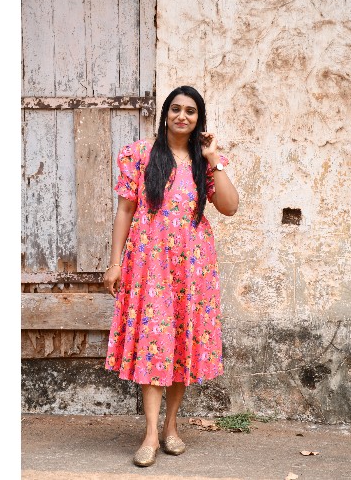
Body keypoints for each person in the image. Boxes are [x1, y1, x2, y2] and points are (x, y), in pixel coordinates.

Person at [103, 85, 239, 467]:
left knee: (180, 341)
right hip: (150, 262)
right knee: (154, 341)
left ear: (199, 119)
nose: (182, 116)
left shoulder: (203, 161)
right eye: (176, 109)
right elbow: (125, 210)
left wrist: (214, 159)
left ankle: (171, 426)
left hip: (192, 266)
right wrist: (115, 263)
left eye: (190, 111)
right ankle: (149, 433)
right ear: (166, 113)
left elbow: (229, 207)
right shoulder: (139, 154)